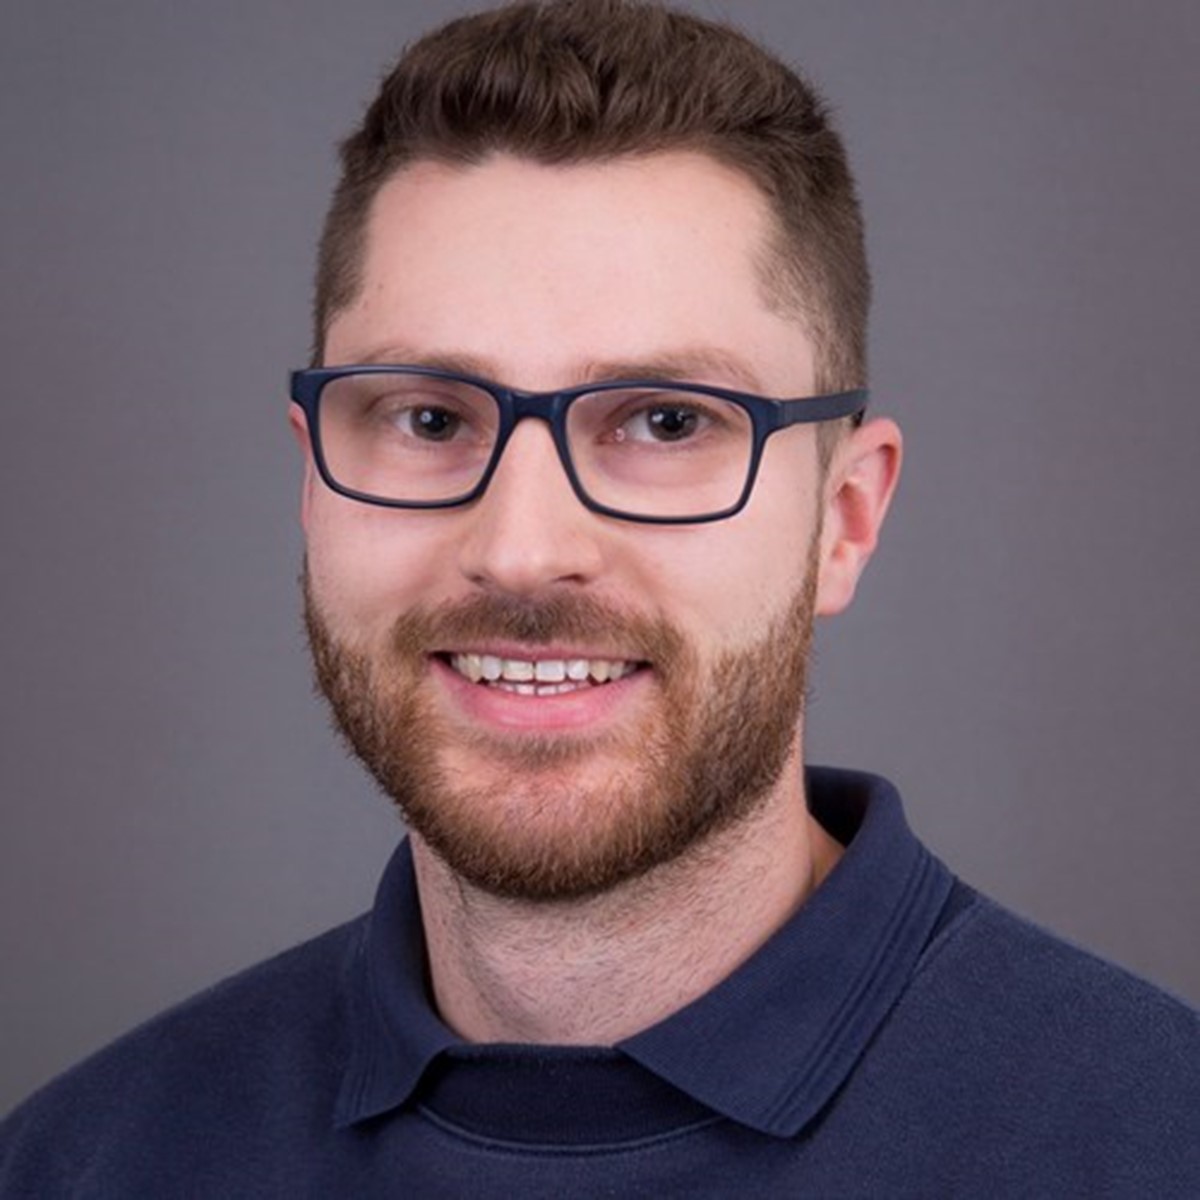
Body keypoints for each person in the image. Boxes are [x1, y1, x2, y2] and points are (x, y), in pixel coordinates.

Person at [2, 1, 1197, 1194]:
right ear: (312, 479)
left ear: (845, 519)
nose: (522, 550)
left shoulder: (1155, 1141)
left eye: (666, 421)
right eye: (428, 418)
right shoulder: (85, 1161)